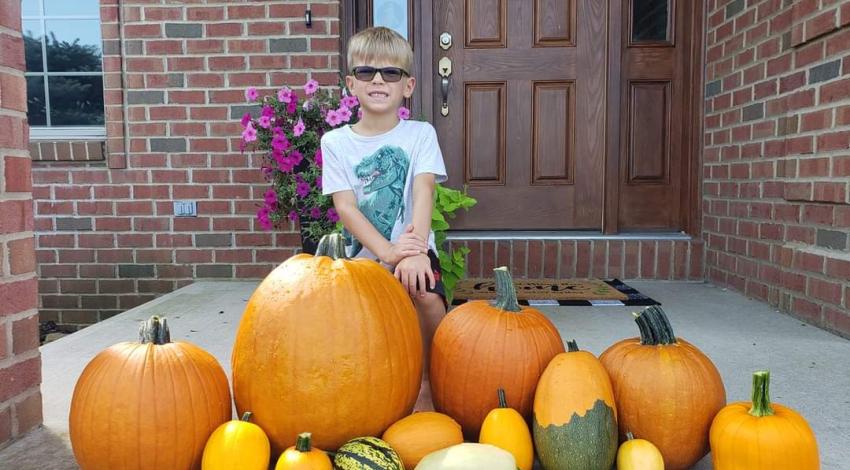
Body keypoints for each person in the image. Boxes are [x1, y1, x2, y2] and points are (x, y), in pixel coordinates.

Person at [320, 26, 448, 411]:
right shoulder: (336, 143)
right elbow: (346, 207)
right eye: (366, 72)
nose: (378, 79)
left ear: (407, 86)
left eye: (390, 73)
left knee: (424, 293)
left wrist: (414, 251)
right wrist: (388, 252)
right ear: (350, 84)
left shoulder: (420, 134)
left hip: (412, 246)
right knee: (345, 321)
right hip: (365, 257)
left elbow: (424, 190)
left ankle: (430, 377)